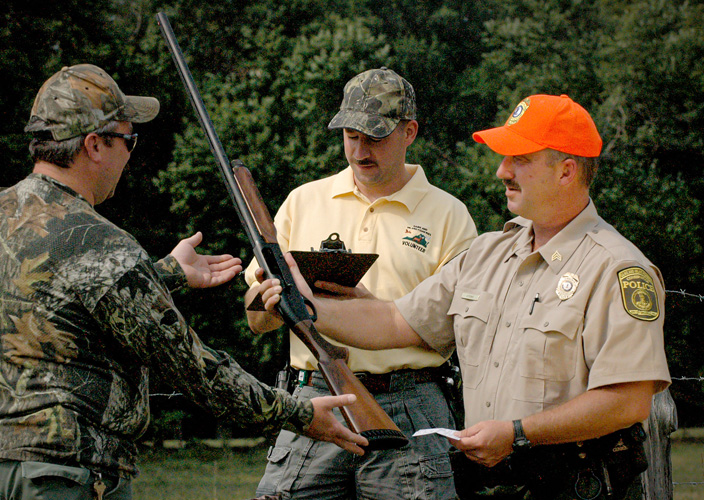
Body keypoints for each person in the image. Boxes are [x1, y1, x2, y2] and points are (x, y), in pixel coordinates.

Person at [0, 63, 368, 500]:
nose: (130, 155)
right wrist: (298, 414)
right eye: (128, 140)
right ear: (94, 145)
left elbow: (57, 295)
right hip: (63, 475)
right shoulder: (97, 240)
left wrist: (164, 272)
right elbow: (192, 367)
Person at [257, 94, 671, 499]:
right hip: (492, 482)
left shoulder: (617, 269)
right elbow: (394, 321)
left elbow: (628, 401)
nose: (502, 171)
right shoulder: (488, 253)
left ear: (566, 172)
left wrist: (517, 434)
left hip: (575, 485)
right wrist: (302, 303)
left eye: (520, 159)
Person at [245, 67, 477, 500]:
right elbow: (256, 322)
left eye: (375, 137)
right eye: (351, 136)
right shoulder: (302, 201)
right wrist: (273, 302)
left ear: (409, 132)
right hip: (314, 397)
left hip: (411, 401)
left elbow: (456, 329)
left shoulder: (450, 215)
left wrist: (376, 309)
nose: (359, 150)